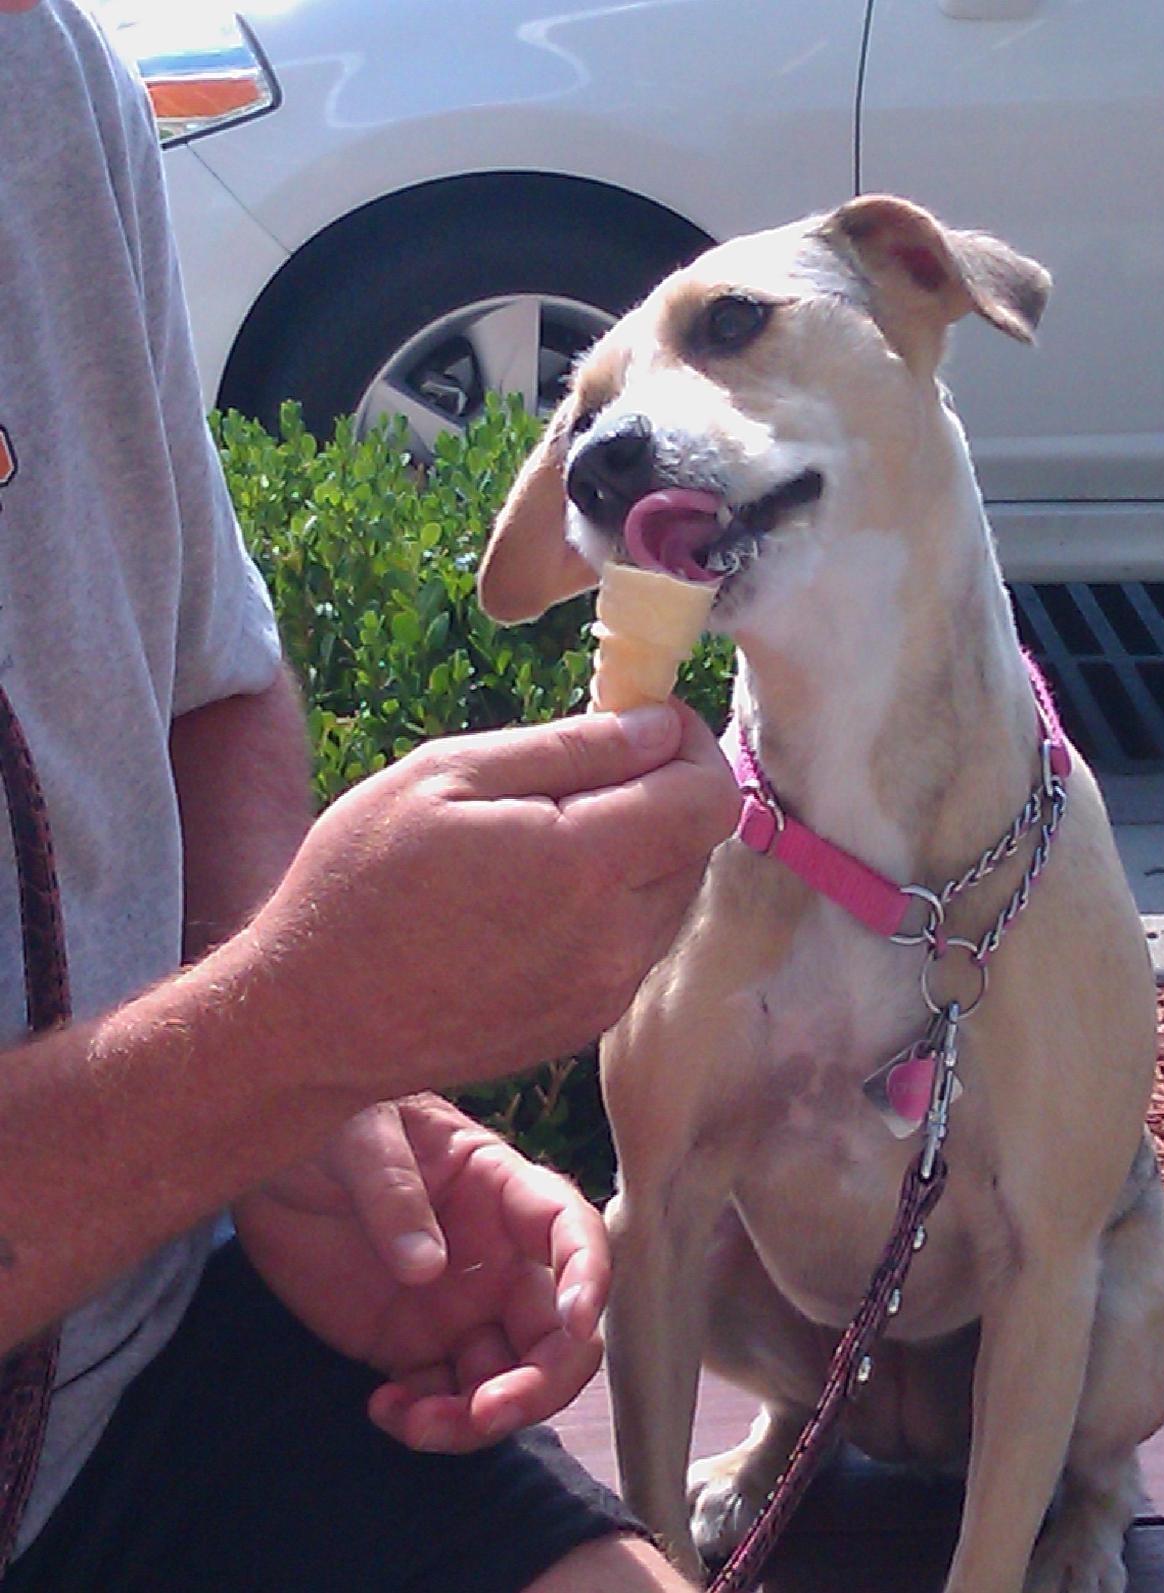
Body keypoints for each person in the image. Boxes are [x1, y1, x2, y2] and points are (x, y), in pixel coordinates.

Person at [0, 3, 740, 1587]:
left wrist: (297, 1107)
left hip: (131, 1374)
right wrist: (284, 1036)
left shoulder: (47, 77)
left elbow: (214, 669)